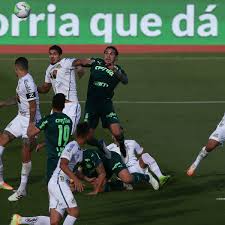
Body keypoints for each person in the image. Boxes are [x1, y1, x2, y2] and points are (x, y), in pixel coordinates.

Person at [10, 122, 91, 225]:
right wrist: (75, 180)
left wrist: (87, 179)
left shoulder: (80, 150)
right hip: (58, 182)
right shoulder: (72, 146)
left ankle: (19, 220)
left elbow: (72, 169)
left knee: (54, 221)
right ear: (87, 134)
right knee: (74, 211)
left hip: (58, 183)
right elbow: (63, 165)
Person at [72, 46, 128, 157]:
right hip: (91, 104)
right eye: (106, 53)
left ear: (116, 57)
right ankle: (100, 145)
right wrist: (79, 67)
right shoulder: (96, 62)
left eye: (111, 54)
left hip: (106, 104)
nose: (108, 55)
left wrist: (115, 70)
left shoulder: (117, 69)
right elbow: (77, 61)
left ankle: (121, 144)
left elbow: (125, 80)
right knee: (87, 137)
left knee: (117, 133)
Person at [0, 57, 41, 201]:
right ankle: (0, 181)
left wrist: (31, 125)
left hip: (31, 120)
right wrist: (3, 103)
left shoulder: (28, 82)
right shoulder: (21, 80)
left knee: (25, 150)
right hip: (21, 117)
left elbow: (33, 105)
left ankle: (22, 189)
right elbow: (18, 99)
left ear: (16, 68)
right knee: (2, 140)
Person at [38, 45, 84, 134]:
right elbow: (45, 88)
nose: (52, 56)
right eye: (50, 54)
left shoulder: (66, 62)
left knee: (67, 134)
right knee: (53, 132)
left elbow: (78, 61)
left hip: (71, 105)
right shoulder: (49, 69)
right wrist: (33, 89)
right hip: (58, 107)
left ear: (60, 55)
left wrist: (80, 66)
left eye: (54, 54)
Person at [27, 93, 73, 183]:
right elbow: (62, 137)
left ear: (52, 104)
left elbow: (31, 133)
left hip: (54, 159)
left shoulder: (48, 119)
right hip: (65, 158)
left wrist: (31, 122)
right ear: (63, 106)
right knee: (63, 183)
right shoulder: (69, 120)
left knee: (52, 185)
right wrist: (44, 144)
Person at [77, 148, 159, 194]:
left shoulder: (89, 154)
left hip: (111, 160)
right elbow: (77, 174)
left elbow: (102, 173)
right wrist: (87, 179)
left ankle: (147, 177)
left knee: (127, 178)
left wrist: (96, 191)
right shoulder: (75, 161)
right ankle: (123, 185)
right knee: (102, 188)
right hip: (102, 167)